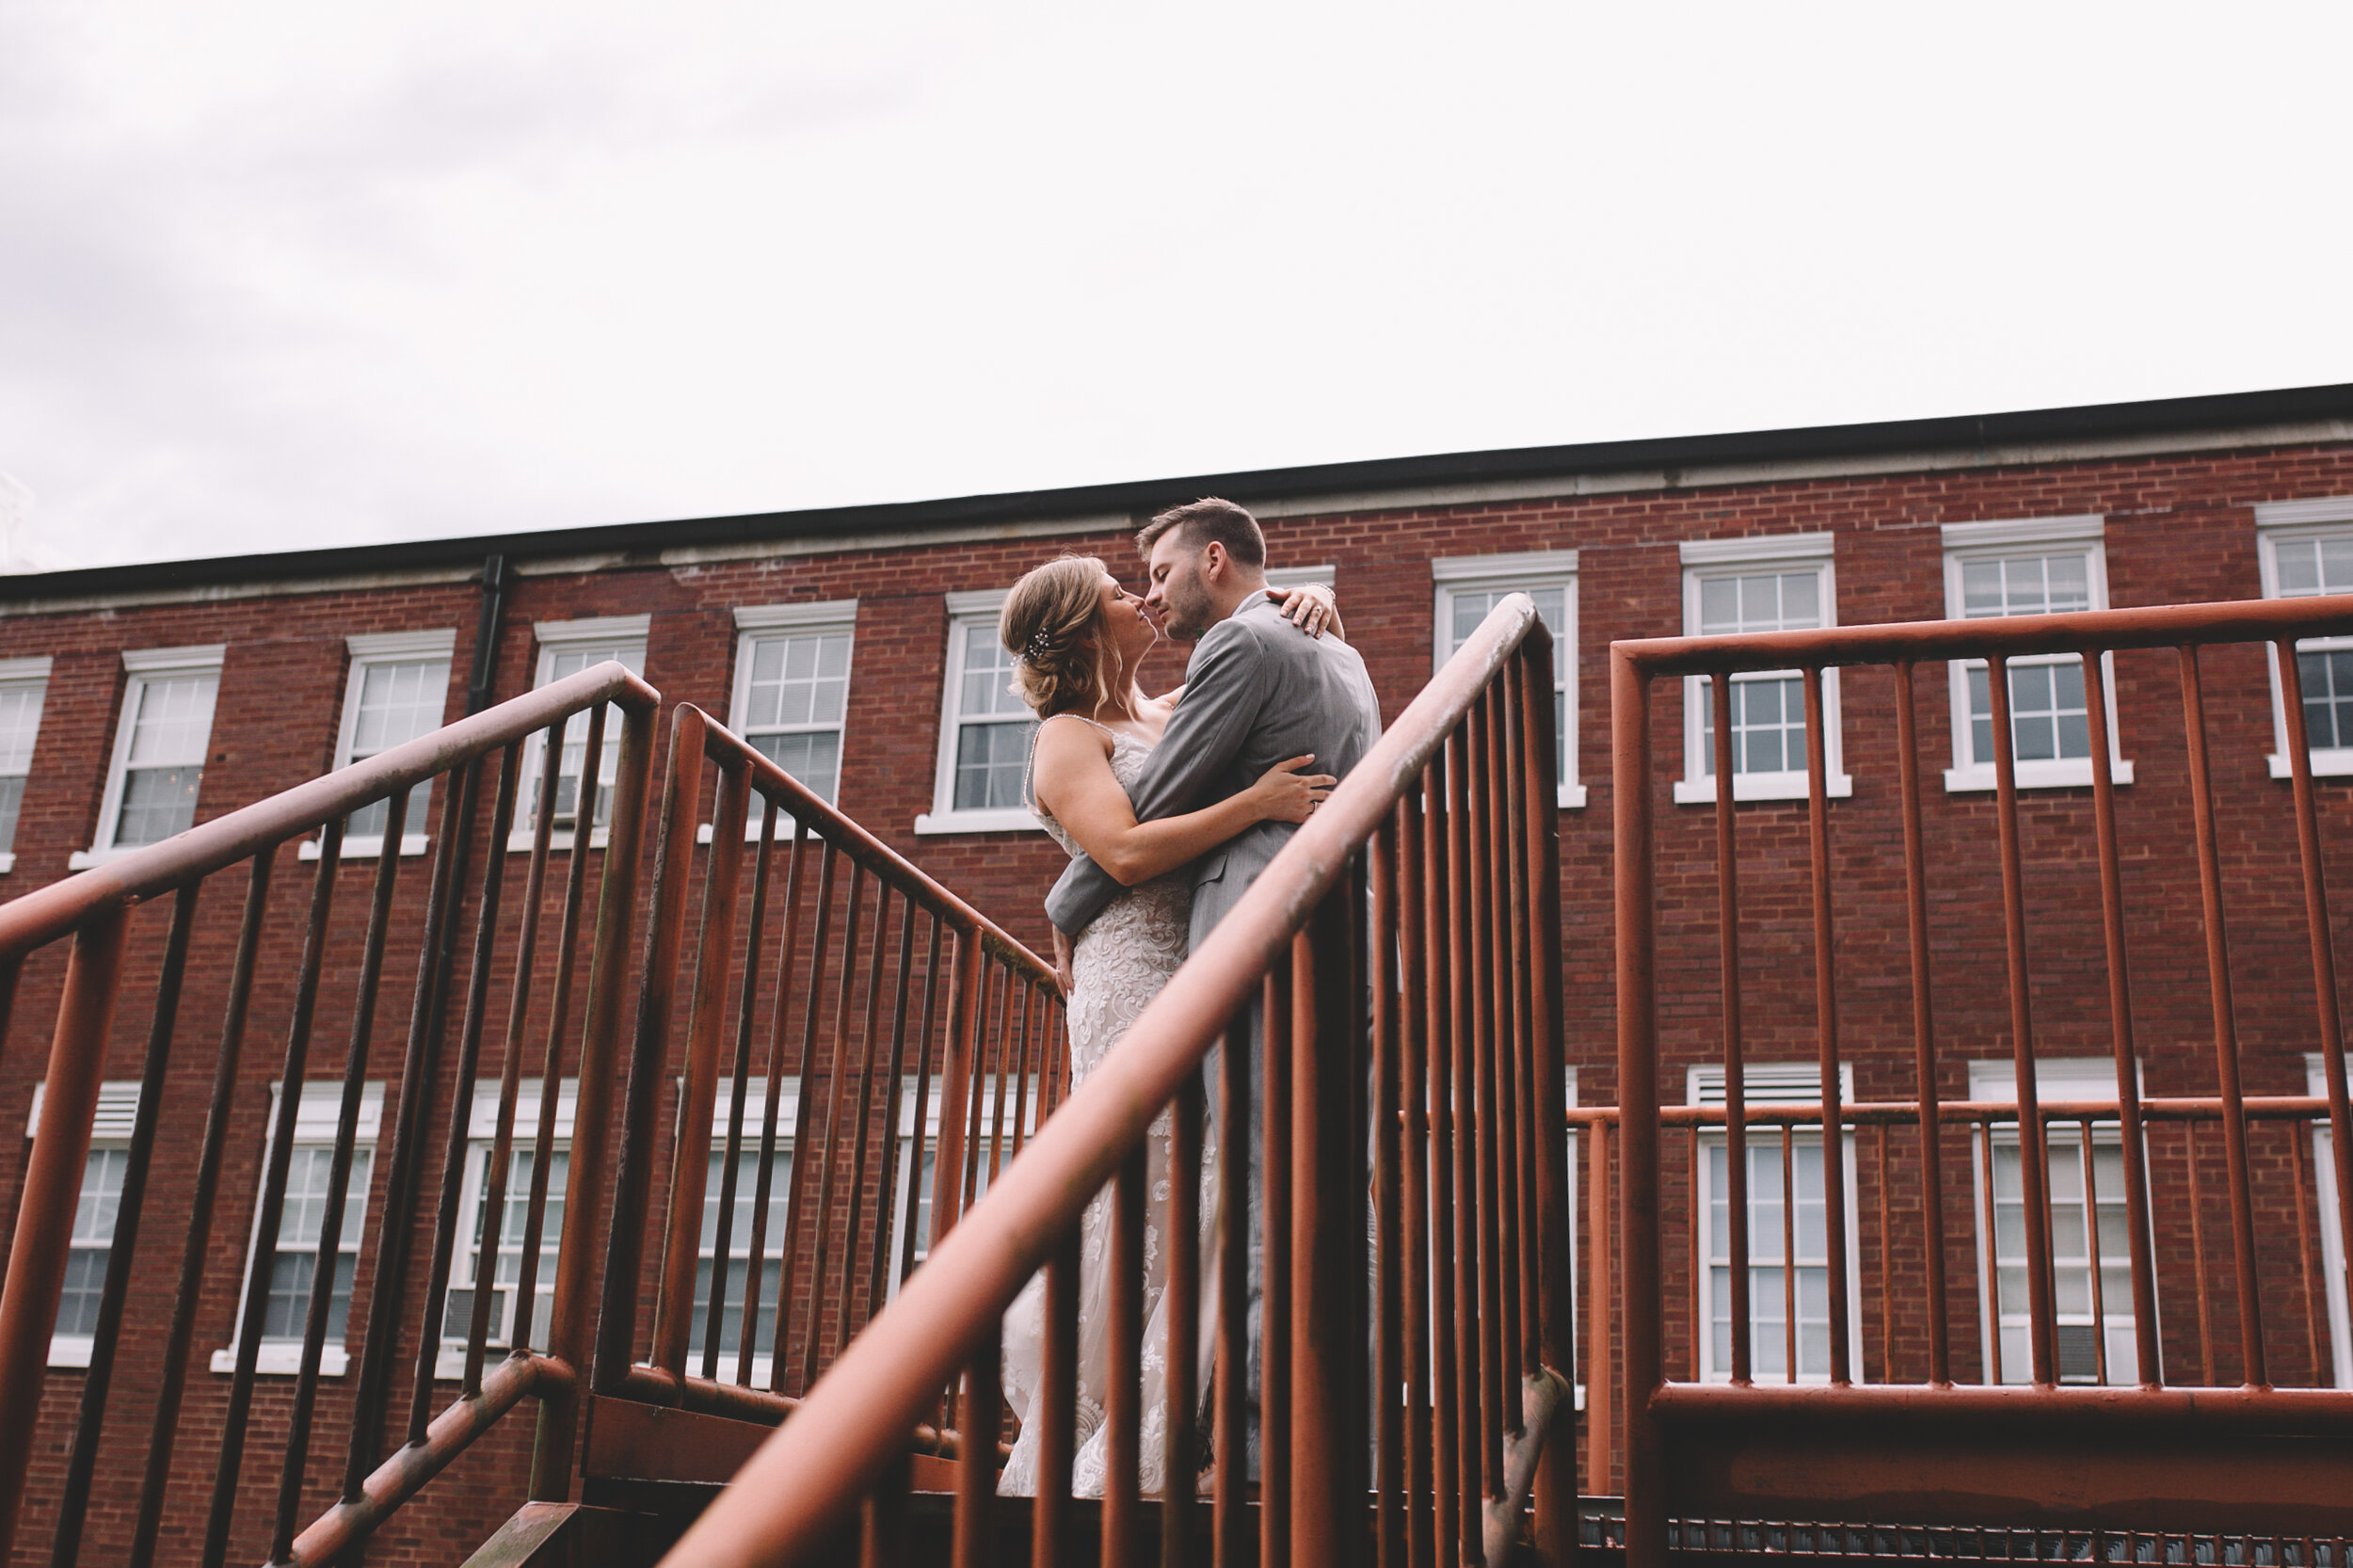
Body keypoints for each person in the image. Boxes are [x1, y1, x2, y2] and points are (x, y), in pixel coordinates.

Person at [1044, 497, 1383, 1481]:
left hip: (1254, 933)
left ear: (1216, 559)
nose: (1149, 592)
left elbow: (1147, 806)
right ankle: (1333, 1437)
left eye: (1157, 572)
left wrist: (1065, 906)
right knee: (1326, 1191)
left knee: (1246, 1187)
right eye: (1132, 584)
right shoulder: (1342, 654)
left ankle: (1250, 1453)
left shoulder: (1235, 651)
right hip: (1341, 933)